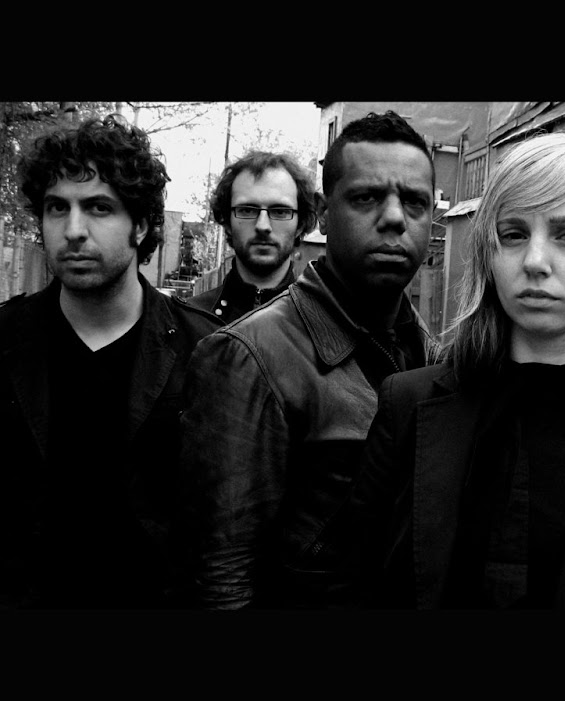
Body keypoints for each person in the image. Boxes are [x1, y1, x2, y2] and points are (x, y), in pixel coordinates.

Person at [319, 132, 565, 610]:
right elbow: (351, 586)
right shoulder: (408, 405)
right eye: (513, 234)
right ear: (488, 255)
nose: (534, 262)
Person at [178, 111, 438, 609]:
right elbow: (221, 577)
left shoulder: (432, 351)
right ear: (322, 214)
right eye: (366, 197)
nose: (394, 218)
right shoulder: (247, 356)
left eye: (414, 202)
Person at [0, 115, 222, 609]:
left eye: (99, 207)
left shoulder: (204, 350)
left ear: (140, 225)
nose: (73, 231)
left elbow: (220, 517)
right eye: (57, 208)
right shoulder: (6, 340)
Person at [186, 151, 318, 324]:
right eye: (247, 210)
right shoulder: (190, 322)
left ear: (300, 225)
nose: (263, 226)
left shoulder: (321, 326)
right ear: (227, 221)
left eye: (280, 212)